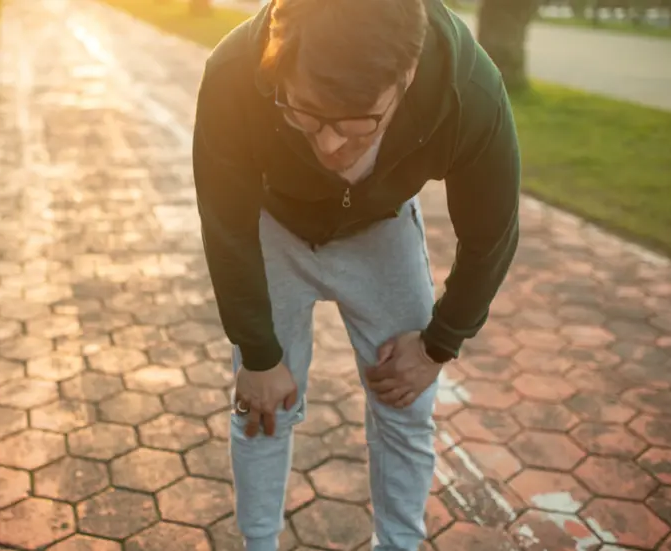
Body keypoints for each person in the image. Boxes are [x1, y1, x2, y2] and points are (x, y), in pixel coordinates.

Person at [191, 0, 520, 549]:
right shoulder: (233, 73)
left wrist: (439, 344)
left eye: (357, 124)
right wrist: (258, 353)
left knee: (406, 403)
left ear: (407, 75)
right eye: (305, 113)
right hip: (273, 225)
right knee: (262, 405)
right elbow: (225, 224)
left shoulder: (470, 93)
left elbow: (492, 234)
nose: (328, 145)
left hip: (381, 228)